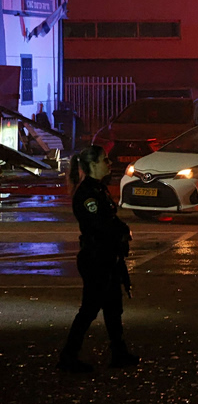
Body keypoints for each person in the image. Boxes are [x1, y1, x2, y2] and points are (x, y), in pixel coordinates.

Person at [57, 146, 138, 372]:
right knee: (90, 309)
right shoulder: (87, 194)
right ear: (93, 165)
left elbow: (110, 219)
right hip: (96, 258)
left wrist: (121, 230)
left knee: (113, 307)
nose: (109, 164)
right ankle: (68, 357)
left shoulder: (99, 189)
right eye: (105, 160)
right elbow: (99, 224)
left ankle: (119, 353)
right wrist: (119, 231)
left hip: (107, 256)